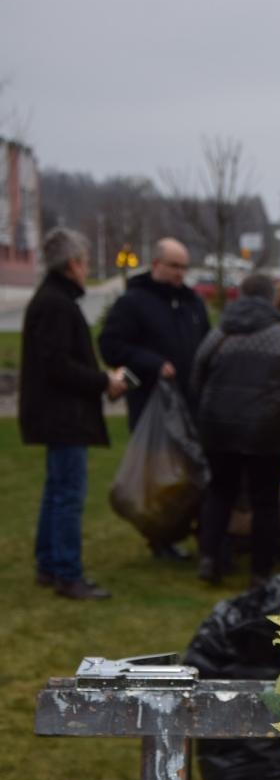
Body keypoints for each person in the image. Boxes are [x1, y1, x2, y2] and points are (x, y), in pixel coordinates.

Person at [190, 272, 280, 586]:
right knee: (264, 500)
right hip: (266, 429)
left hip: (217, 427)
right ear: (270, 299)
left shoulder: (220, 331)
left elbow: (196, 374)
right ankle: (260, 572)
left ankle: (210, 559)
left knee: (220, 492)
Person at [19, 227, 128, 600]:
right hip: (64, 416)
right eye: (83, 262)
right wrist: (104, 381)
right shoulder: (56, 304)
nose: (85, 269)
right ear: (72, 264)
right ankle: (67, 572)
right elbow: (58, 365)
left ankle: (49, 566)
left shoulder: (52, 299)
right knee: (67, 495)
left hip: (58, 414)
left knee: (56, 491)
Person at [99, 236, 210, 559]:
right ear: (157, 264)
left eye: (184, 267)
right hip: (153, 406)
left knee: (193, 473)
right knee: (160, 478)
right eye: (174, 266)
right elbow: (111, 345)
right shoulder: (134, 303)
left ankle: (194, 532)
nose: (180, 273)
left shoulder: (192, 303)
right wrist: (152, 364)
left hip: (191, 403)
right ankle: (160, 537)